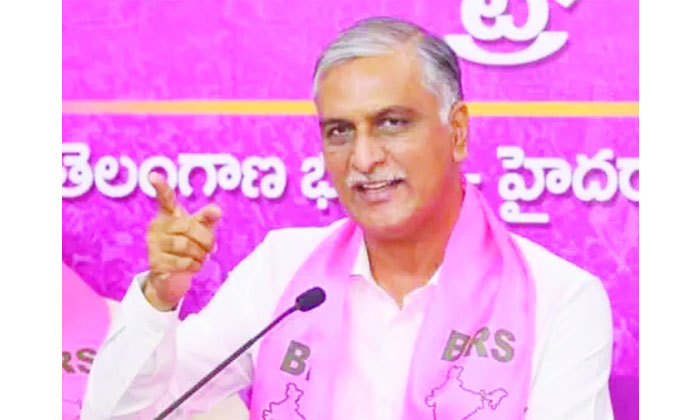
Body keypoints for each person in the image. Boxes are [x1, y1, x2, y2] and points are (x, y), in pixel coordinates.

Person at [82, 17, 614, 420]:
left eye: (391, 123)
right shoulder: (284, 271)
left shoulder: (559, 298)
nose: (363, 159)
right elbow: (120, 415)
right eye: (339, 131)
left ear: (456, 132)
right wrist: (160, 297)